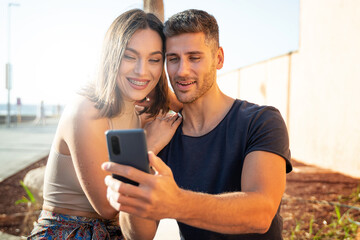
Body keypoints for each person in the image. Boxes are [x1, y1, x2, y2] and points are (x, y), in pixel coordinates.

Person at [103, 9, 292, 240]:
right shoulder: (163, 136)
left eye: (194, 57)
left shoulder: (260, 121)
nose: (182, 71)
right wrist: (141, 161)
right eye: (173, 59)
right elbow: (138, 236)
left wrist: (176, 203)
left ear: (218, 58)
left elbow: (260, 213)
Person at [29, 9, 181, 239]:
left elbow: (191, 105)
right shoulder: (86, 110)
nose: (142, 70)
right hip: (68, 233)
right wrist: (148, 147)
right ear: (111, 57)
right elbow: (108, 207)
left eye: (154, 59)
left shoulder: (134, 105)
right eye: (129, 56)